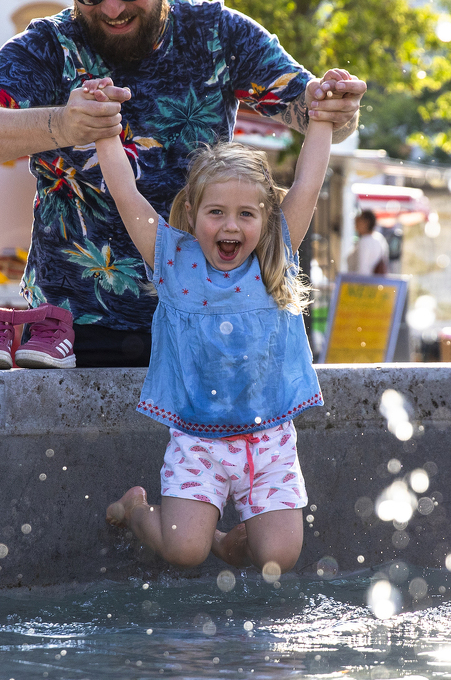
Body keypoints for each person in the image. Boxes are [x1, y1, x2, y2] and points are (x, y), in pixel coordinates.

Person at [0, 0, 364, 367]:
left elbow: (312, 111)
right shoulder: (47, 46)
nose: (112, 8)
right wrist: (61, 125)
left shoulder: (218, 33)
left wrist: (336, 106)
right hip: (71, 332)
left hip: (202, 317)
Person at [97, 76, 332, 574]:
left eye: (246, 214)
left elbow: (309, 181)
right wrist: (103, 128)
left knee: (279, 557)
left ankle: (228, 543)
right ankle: (137, 509)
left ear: (266, 219)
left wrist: (324, 118)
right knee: (184, 552)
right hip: (198, 440)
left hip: (268, 440)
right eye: (216, 212)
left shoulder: (276, 254)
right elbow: (124, 193)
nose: (230, 226)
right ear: (193, 212)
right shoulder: (173, 259)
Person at [344, 208, 389, 275]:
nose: (355, 225)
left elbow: (362, 270)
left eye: (358, 221)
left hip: (360, 283)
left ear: (366, 222)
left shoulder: (365, 241)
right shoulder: (379, 238)